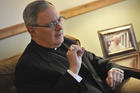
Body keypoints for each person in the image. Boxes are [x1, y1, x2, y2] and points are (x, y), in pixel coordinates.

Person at [15, 1, 125, 93]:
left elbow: (98, 62)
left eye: (59, 20)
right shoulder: (27, 67)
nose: (60, 27)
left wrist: (114, 69)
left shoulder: (68, 43)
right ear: (32, 30)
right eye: (52, 24)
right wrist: (73, 70)